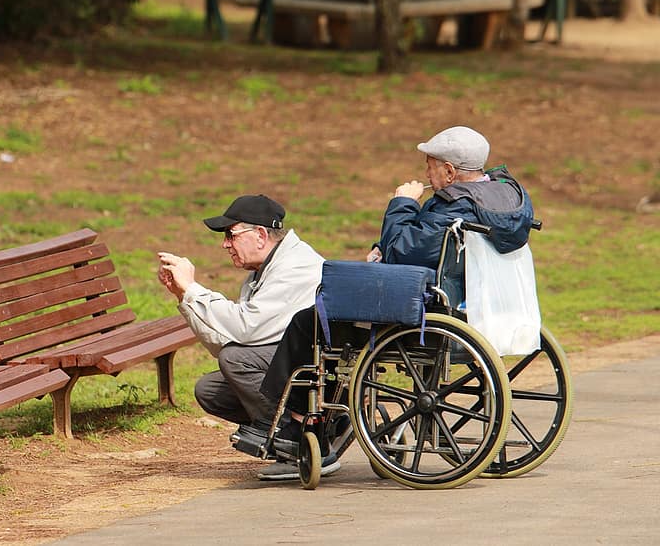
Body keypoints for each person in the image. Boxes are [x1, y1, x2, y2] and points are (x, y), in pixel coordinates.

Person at [256, 125, 535, 479]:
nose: (426, 173)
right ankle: (315, 420)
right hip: (474, 308)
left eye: (431, 165)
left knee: (309, 322)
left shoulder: (456, 203)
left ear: (450, 172)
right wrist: (384, 244)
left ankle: (294, 423)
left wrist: (401, 202)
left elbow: (405, 249)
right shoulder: (501, 200)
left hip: (424, 315)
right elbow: (418, 243)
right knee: (327, 318)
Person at [156, 194, 324, 431]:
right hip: (296, 358)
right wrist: (183, 296)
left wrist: (194, 289)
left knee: (236, 360)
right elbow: (224, 342)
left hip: (319, 364)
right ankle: (284, 431)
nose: (225, 244)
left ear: (260, 236)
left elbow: (245, 329)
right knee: (210, 390)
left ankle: (296, 434)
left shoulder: (294, 267)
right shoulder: (260, 272)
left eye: (230, 235)